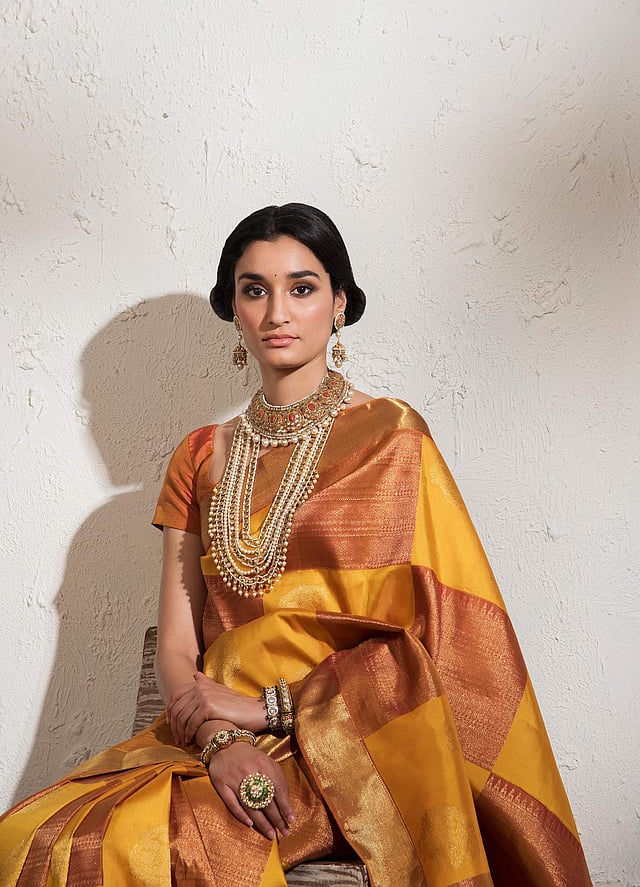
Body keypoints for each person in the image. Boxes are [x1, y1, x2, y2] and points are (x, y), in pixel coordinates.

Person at [0, 203, 592, 887]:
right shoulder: (200, 456)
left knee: (147, 847)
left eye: (302, 287)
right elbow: (179, 646)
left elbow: (437, 641)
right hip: (209, 735)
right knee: (28, 837)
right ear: (234, 309)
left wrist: (268, 711)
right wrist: (222, 740)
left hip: (352, 746)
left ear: (339, 303)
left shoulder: (393, 439)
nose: (277, 311)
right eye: (255, 289)